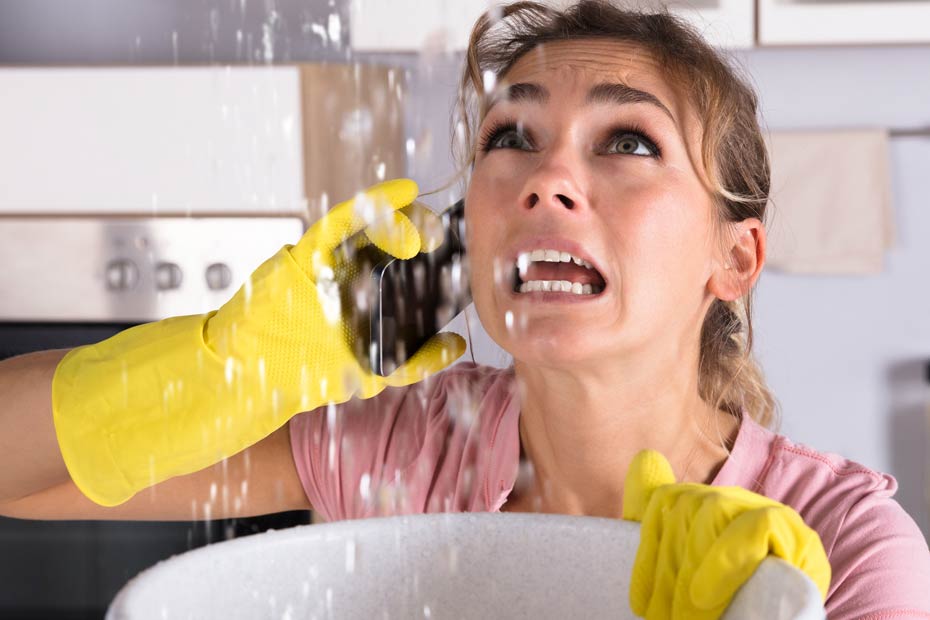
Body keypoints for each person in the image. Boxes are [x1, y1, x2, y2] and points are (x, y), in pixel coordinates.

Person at [1, 1, 928, 618]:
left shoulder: (843, 544)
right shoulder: (412, 448)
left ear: (735, 258)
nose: (547, 179)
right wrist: (217, 373)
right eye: (512, 137)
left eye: (628, 141)